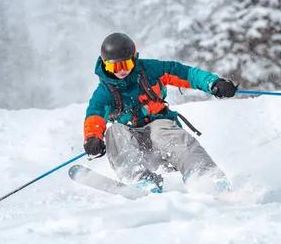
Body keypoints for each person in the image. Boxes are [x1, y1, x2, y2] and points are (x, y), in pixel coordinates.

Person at [83, 32, 238, 193]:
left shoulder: (150, 70)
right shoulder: (104, 92)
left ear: (134, 58)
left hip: (162, 134)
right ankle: (141, 179)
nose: (121, 71)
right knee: (114, 132)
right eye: (114, 66)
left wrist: (213, 83)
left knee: (161, 130)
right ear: (105, 64)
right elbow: (95, 114)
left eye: (126, 65)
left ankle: (204, 174)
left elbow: (185, 73)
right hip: (133, 143)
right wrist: (92, 138)